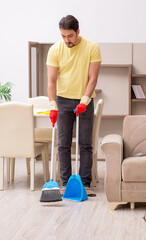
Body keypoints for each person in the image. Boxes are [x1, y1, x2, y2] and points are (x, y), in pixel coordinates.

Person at [47, 15, 101, 197]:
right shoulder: (55, 50)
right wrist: (52, 105)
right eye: (63, 36)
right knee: (63, 144)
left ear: (78, 32)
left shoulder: (92, 47)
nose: (66, 40)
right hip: (62, 100)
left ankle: (85, 184)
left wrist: (85, 101)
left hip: (84, 100)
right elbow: (52, 81)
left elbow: (93, 78)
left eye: (70, 36)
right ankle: (65, 184)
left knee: (85, 144)